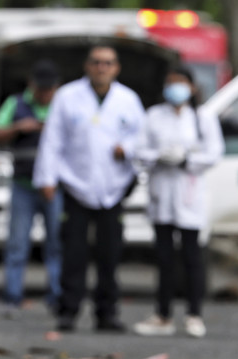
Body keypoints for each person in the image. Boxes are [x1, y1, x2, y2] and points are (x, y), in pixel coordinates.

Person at [33, 45, 145, 332]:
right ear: (87, 66)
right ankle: (68, 310)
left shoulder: (128, 100)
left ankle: (107, 313)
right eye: (96, 62)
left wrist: (127, 148)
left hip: (113, 188)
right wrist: (47, 178)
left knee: (110, 254)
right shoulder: (67, 96)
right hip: (76, 185)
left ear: (116, 68)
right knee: (73, 253)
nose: (101, 68)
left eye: (107, 63)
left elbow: (142, 138)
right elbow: (52, 140)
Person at [132, 65, 224, 338]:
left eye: (181, 83)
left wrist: (186, 160)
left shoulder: (202, 118)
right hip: (162, 194)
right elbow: (139, 150)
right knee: (164, 258)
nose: (176, 88)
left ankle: (194, 314)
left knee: (192, 257)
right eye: (170, 83)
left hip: (189, 195)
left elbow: (214, 153)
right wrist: (159, 156)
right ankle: (163, 314)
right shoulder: (153, 116)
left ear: (192, 87)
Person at [0, 60, 62, 317]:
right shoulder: (17, 104)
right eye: (40, 88)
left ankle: (58, 297)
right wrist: (18, 127)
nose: (44, 94)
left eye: (48, 89)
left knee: (57, 244)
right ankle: (12, 297)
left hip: (54, 187)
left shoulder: (62, 106)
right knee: (17, 243)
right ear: (32, 85)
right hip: (23, 184)